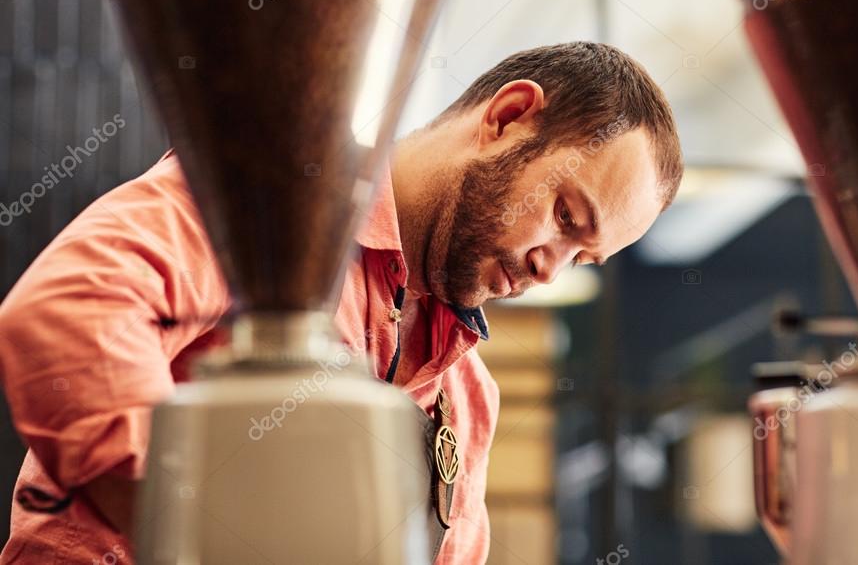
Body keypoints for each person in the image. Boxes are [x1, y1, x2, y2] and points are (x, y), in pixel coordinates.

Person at [0, 41, 682, 564]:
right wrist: (191, 529)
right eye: (564, 217)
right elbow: (69, 313)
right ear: (506, 118)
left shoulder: (467, 399)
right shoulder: (268, 210)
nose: (548, 269)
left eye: (581, 259)